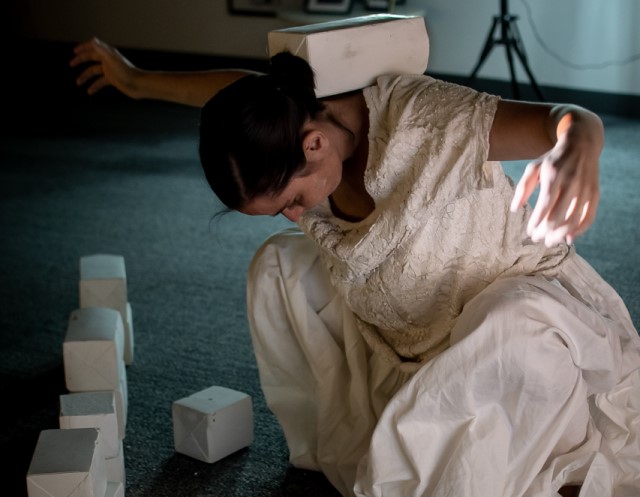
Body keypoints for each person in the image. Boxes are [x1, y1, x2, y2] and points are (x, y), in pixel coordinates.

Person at [71, 37, 640, 497]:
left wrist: (576, 148)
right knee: (278, 266)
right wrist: (132, 78)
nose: (296, 214)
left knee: (507, 331)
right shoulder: (278, 113)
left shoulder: (426, 120)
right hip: (406, 323)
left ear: (314, 144)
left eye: (292, 200)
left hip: (512, 317)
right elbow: (226, 92)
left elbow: (568, 119)